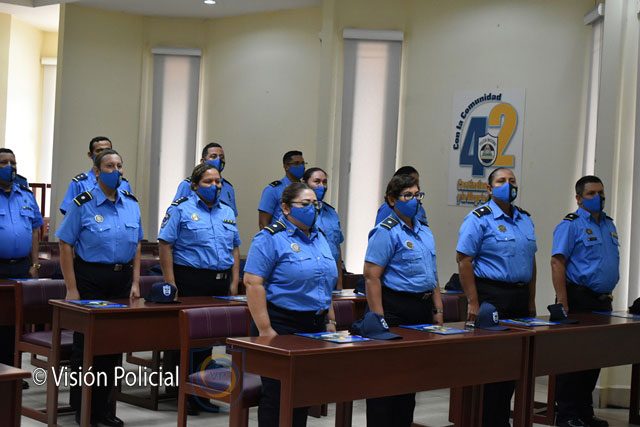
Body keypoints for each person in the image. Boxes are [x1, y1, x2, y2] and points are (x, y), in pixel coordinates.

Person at [56, 149, 142, 427]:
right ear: (96, 171)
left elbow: (137, 245)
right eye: (109, 166)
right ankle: (84, 410)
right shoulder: (83, 203)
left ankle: (104, 408)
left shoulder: (131, 203)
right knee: (87, 346)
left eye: (119, 166)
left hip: (121, 279)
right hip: (90, 278)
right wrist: (72, 288)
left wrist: (136, 282)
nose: (116, 171)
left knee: (113, 345)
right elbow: (65, 244)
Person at [244, 182, 338, 427]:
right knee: (277, 396)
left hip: (314, 325)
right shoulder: (270, 238)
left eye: (315, 204)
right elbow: (253, 283)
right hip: (281, 324)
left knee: (300, 394)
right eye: (305, 204)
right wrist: (265, 330)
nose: (312, 209)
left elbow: (324, 282)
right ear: (286, 208)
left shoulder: (320, 237)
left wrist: (330, 319)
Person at [456, 167, 537, 427]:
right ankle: (489, 421)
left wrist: (531, 300)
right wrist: (473, 302)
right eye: (501, 181)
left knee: (514, 366)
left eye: (512, 180)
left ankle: (500, 419)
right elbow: (464, 260)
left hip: (519, 297)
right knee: (492, 367)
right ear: (489, 189)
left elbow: (531, 261)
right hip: (492, 297)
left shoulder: (525, 219)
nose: (508, 185)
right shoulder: (479, 218)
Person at [363, 173, 443, 427]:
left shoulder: (425, 231)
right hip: (394, 308)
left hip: (420, 309)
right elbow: (371, 276)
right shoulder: (386, 231)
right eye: (407, 195)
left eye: (417, 195)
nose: (414, 200)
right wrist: (379, 319)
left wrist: (438, 309)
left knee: (409, 380)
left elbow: (432, 273)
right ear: (392, 200)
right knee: (385, 381)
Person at [551, 176, 617, 427]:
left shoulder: (609, 224)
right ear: (579, 198)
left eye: (601, 193)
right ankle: (567, 415)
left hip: (602, 301)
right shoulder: (571, 225)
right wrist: (563, 302)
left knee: (594, 359)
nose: (598, 197)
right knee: (573, 360)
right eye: (591, 193)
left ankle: (584, 413)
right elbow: (557, 262)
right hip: (578, 298)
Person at [0, 148, 43, 372]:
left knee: (14, 323)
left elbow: (35, 230)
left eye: (13, 162)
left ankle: (11, 373)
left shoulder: (26, 195)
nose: (10, 167)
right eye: (4, 162)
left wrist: (35, 265)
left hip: (21, 268)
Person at [59, 136, 132, 214]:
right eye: (99, 151)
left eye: (107, 150)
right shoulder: (80, 183)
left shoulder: (123, 184)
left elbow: (129, 210)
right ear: (90, 155)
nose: (104, 153)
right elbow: (69, 213)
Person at [302, 167, 344, 289]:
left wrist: (339, 283)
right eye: (317, 181)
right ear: (305, 184)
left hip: (331, 280)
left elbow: (336, 249)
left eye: (324, 182)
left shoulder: (332, 213)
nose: (322, 186)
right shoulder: (299, 213)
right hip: (308, 281)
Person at [172, 142, 237, 216]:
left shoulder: (228, 188)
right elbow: (175, 212)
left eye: (221, 157)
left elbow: (232, 217)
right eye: (213, 156)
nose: (219, 160)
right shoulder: (188, 184)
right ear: (203, 161)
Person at [258, 150, 306, 229]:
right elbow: (263, 224)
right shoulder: (273, 190)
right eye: (296, 163)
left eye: (303, 163)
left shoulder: (306, 190)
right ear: (286, 166)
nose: (301, 167)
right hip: (281, 235)